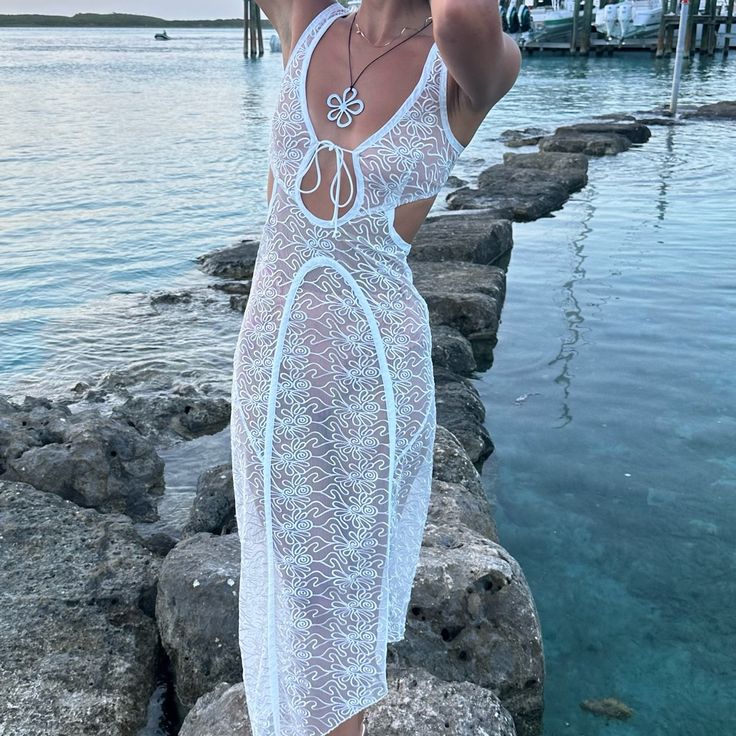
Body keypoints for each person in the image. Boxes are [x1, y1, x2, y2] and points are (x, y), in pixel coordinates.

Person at [230, 1, 521, 735]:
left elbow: (460, 16)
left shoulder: (467, 66)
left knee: (339, 622)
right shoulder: (308, 18)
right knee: (285, 600)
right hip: (270, 376)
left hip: (371, 388)